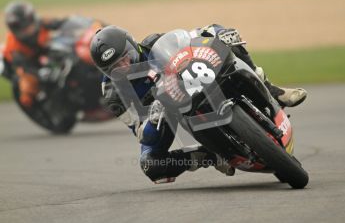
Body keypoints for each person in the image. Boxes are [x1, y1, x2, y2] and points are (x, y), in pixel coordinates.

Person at [90, 25, 307, 184]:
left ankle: (272, 91)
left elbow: (197, 34)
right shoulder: (112, 93)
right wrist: (152, 118)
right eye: (115, 67)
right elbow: (141, 133)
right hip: (164, 113)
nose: (124, 67)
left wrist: (217, 32)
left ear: (133, 46)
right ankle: (209, 156)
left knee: (230, 46)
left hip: (192, 80)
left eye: (125, 58)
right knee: (151, 165)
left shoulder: (153, 43)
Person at [2, 0, 103, 108]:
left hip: (44, 50)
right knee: (28, 88)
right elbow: (26, 68)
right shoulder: (14, 49)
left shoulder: (42, 22)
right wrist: (39, 73)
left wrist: (87, 26)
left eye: (28, 25)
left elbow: (63, 23)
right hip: (29, 62)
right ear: (14, 30)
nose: (28, 30)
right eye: (23, 29)